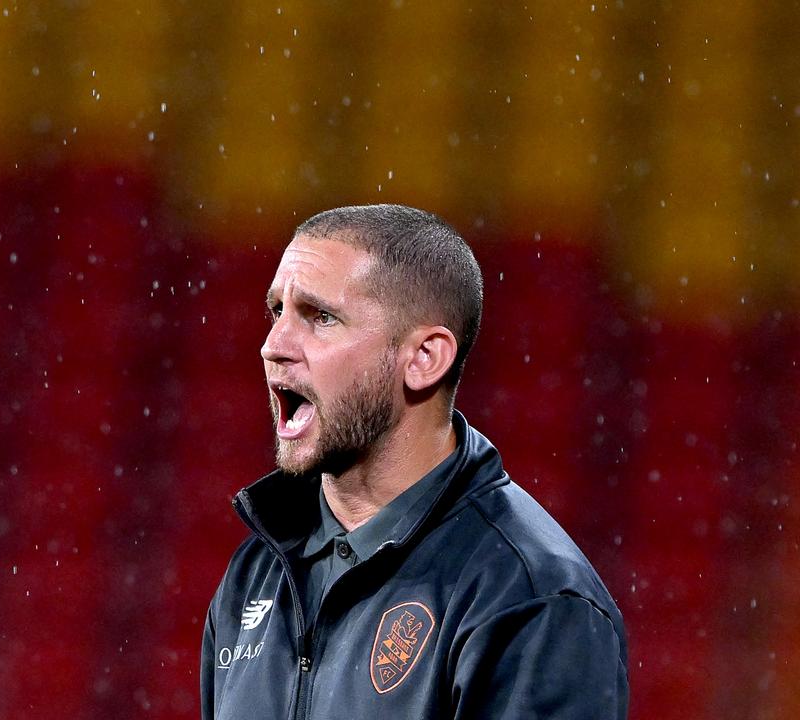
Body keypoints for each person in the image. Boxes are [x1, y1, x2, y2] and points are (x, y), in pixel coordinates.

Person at [200, 205, 628, 719]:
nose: (273, 346)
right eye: (277, 311)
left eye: (321, 317)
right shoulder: (257, 574)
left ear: (424, 358)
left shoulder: (529, 598)